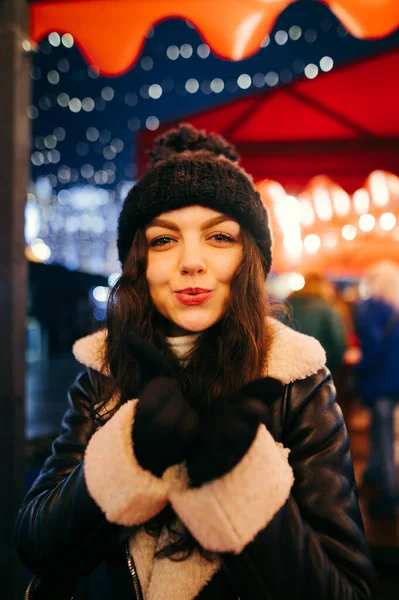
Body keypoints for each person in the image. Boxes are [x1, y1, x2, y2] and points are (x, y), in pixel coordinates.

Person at [15, 124, 375, 599]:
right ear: (139, 262)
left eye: (219, 237)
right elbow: (36, 540)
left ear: (250, 257)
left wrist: (239, 478)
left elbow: (346, 589)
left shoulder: (297, 380)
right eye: (164, 240)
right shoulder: (102, 374)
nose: (192, 261)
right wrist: (129, 458)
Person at [355, 260, 399, 518]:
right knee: (382, 432)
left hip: (380, 381)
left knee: (382, 437)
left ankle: (389, 494)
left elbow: (372, 347)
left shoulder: (372, 308)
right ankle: (374, 474)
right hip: (395, 381)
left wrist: (360, 370)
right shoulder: (396, 307)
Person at [287, 273, 347, 375]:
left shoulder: (287, 305)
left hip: (289, 368)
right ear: (323, 286)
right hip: (318, 370)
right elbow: (338, 345)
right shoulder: (326, 309)